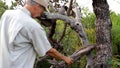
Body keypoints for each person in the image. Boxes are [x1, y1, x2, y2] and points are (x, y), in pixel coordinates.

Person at [0, 0, 73, 68]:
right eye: (43, 9)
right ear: (37, 6)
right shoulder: (33, 26)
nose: (42, 13)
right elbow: (48, 50)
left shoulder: (7, 14)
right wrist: (65, 58)